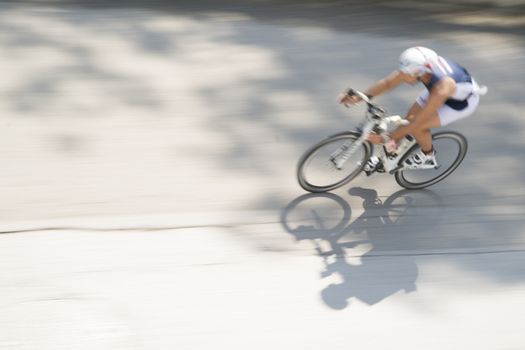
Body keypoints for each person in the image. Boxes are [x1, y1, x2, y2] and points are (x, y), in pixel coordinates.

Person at [338, 46, 486, 171]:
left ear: (419, 72)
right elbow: (387, 83)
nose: (402, 75)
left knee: (416, 127)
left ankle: (428, 156)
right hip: (437, 91)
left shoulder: (442, 86)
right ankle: (389, 154)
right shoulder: (420, 68)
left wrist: (386, 137)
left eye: (406, 74)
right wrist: (360, 97)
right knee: (407, 120)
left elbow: (418, 122)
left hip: (459, 103)